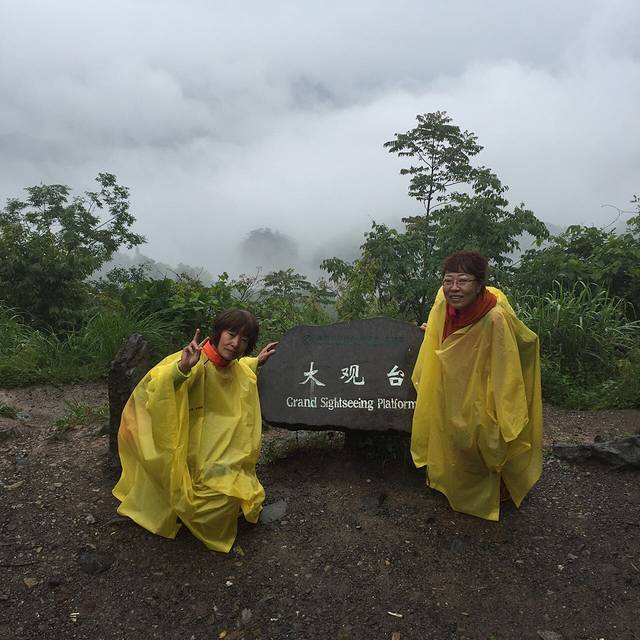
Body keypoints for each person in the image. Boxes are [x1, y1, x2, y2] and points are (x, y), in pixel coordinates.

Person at [113, 308, 278, 552]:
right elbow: (158, 387)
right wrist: (181, 368)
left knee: (235, 492)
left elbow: (238, 369)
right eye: (231, 334)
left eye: (244, 340)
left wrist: (257, 361)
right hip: (188, 447)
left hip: (215, 448)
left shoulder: (234, 368)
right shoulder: (194, 360)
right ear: (218, 333)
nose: (235, 344)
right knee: (213, 501)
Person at [411, 251, 543, 521]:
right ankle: (451, 487)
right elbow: (444, 332)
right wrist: (432, 329)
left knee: (479, 440)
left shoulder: (494, 318)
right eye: (448, 280)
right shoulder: (442, 302)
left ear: (480, 283)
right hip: (450, 387)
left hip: (482, 391)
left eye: (463, 281)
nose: (454, 288)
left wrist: (504, 413)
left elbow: (506, 369)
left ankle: (492, 496)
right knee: (449, 435)